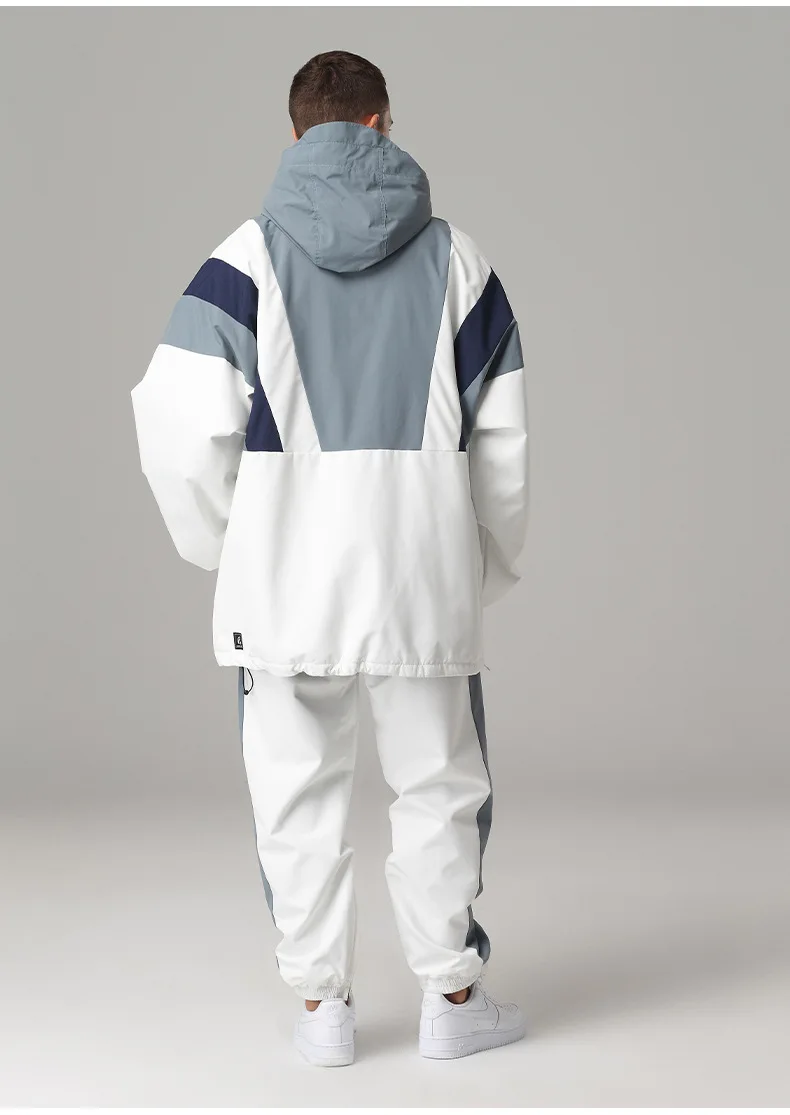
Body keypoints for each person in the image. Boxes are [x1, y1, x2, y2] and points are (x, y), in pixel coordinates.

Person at [131, 50, 529, 1066]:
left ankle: (325, 1012)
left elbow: (173, 425)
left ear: (297, 132)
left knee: (294, 792)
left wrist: (232, 543)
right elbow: (503, 443)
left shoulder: (241, 260)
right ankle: (452, 996)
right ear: (383, 122)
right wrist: (479, 564)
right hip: (419, 569)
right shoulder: (460, 261)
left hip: (284, 580)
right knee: (440, 784)